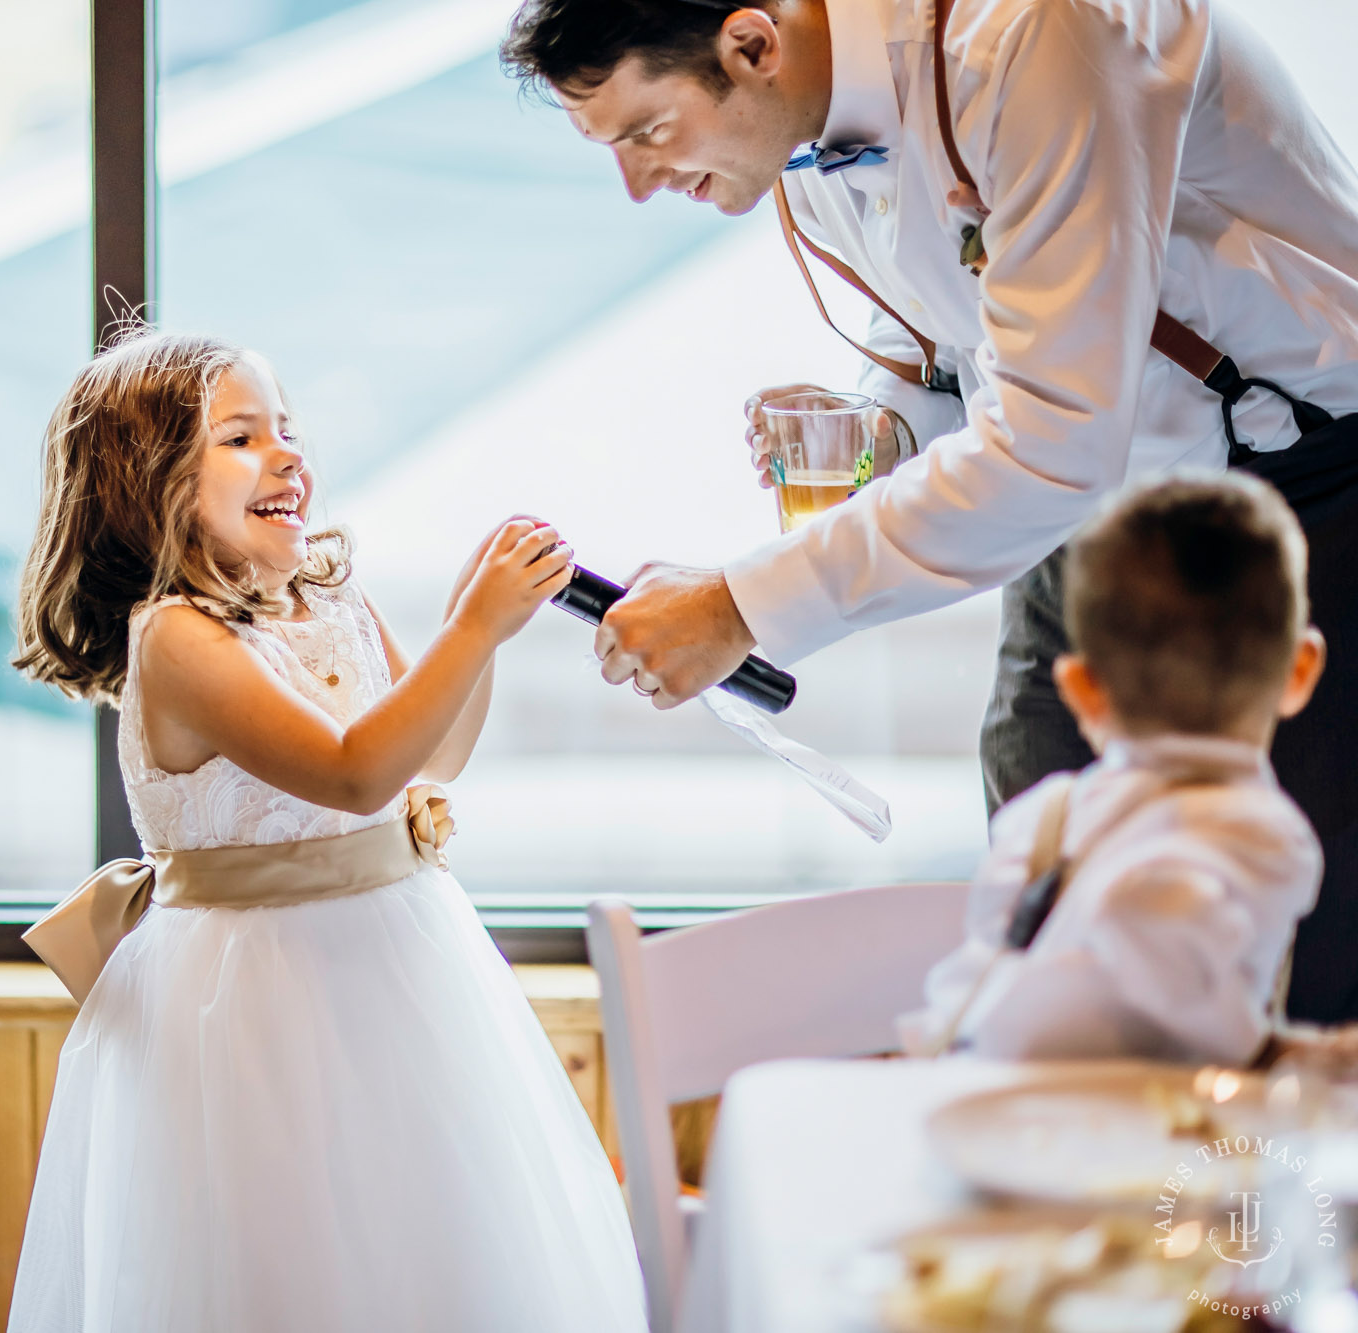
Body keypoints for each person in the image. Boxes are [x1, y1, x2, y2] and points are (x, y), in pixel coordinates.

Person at [499, 0, 1358, 1021]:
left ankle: (1261, 1179)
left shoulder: (1034, 35)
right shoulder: (805, 134)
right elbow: (961, 336)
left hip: (1303, 487)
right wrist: (886, 424)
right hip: (1092, 516)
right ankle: (1086, 1166)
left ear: (750, 46)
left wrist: (737, 606)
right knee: (1046, 899)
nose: (636, 186)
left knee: (1294, 925)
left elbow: (1052, 440)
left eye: (644, 134)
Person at [4, 331, 646, 1333]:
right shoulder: (176, 638)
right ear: (147, 485)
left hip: (396, 962)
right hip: (256, 993)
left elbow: (434, 756)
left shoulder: (327, 593)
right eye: (241, 436)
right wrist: (472, 628)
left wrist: (469, 632)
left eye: (288, 429)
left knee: (430, 1242)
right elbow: (354, 773)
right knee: (286, 1259)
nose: (287, 453)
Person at [899, 475, 1324, 1063]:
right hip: (1147, 1132)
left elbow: (985, 956)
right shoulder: (1265, 832)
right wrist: (1278, 1056)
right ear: (1301, 669)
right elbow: (1160, 909)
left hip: (999, 1104)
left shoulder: (1041, 816)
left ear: (1080, 688)